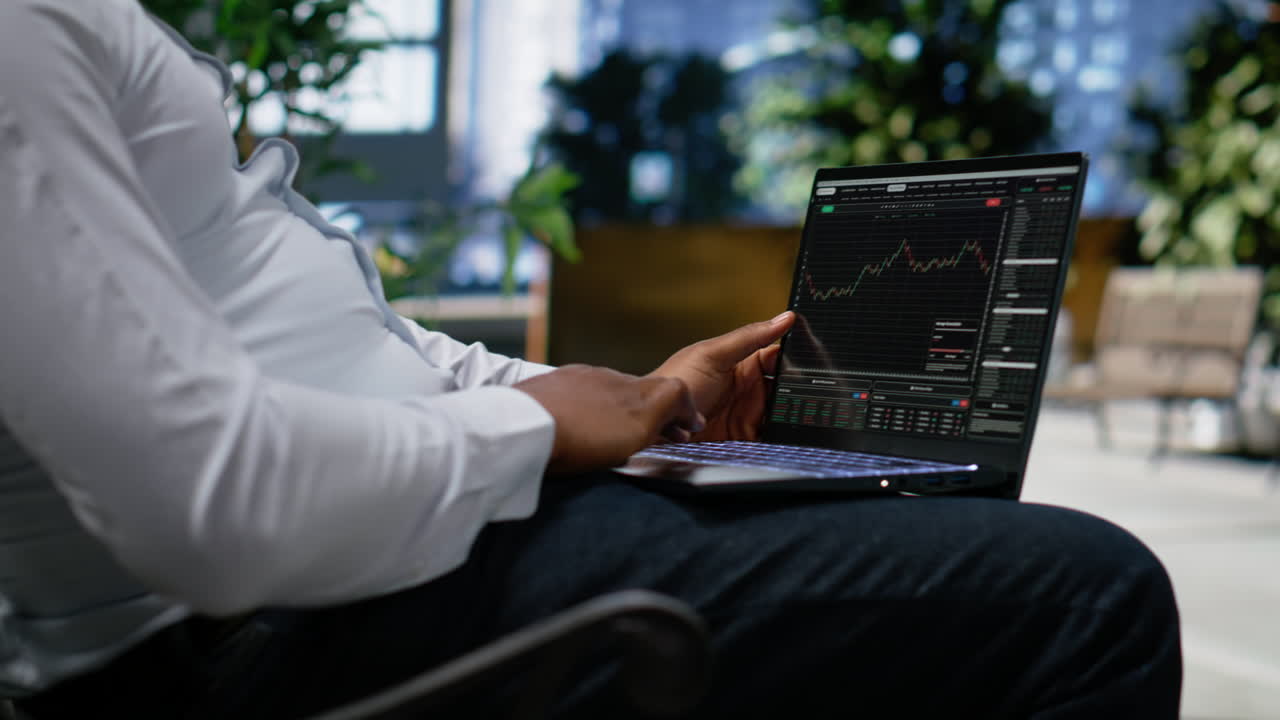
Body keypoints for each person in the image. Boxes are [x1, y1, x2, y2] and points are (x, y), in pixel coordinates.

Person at [0, 1, 1180, 717]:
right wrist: (537, 431)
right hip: (268, 631)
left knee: (905, 531)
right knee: (1088, 593)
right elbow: (208, 507)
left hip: (357, 562)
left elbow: (344, 348)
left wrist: (637, 399)